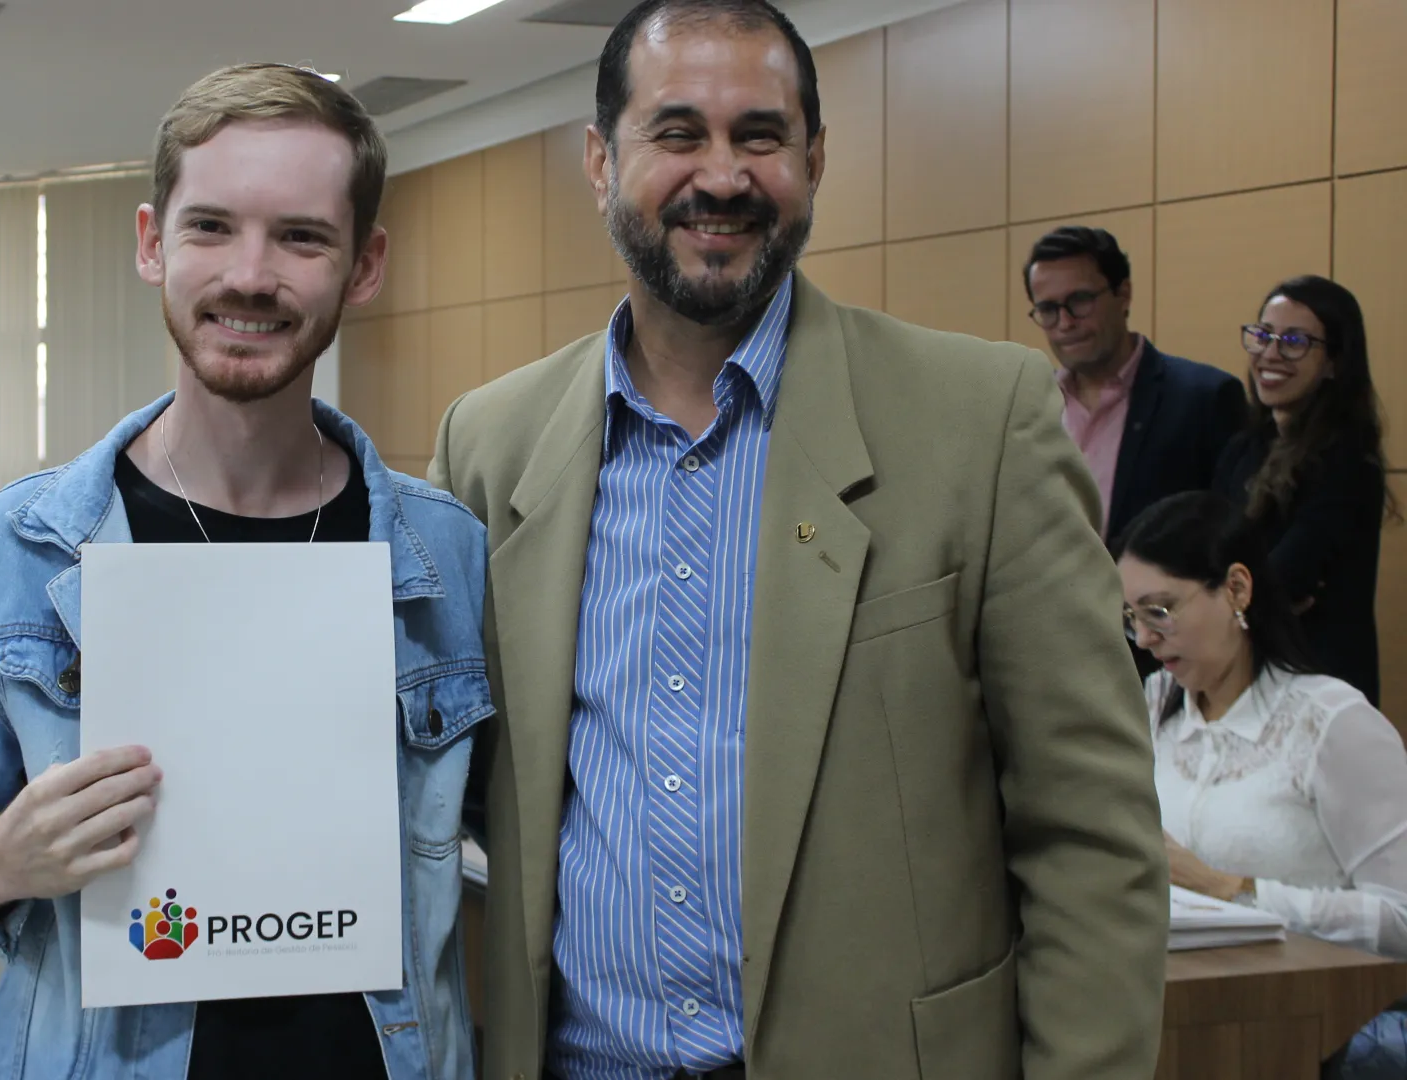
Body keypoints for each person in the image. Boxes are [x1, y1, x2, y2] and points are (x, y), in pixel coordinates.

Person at [429, 1, 1169, 1076]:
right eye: (677, 132)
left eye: (761, 135)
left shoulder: (980, 422)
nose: (723, 175)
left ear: (814, 160)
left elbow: (1090, 835)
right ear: (599, 160)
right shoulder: (489, 447)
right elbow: (441, 788)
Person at [0, 64, 489, 1080]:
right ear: (152, 243)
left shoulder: (446, 554)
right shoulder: (13, 550)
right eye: (210, 227)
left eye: (301, 237)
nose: (250, 274)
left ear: (365, 265)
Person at [1116, 490, 1407, 1079]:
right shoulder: (1155, 707)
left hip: (1314, 1026)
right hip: (1175, 1012)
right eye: (1131, 619)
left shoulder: (1330, 721)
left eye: (1160, 611)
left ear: (1237, 589)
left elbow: (1402, 918)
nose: (1144, 639)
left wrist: (1231, 889)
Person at [1212, 276, 1388, 705]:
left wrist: (1237, 594)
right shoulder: (1243, 448)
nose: (1271, 354)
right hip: (1243, 678)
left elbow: (1282, 581)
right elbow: (1204, 551)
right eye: (1263, 335)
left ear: (1334, 363)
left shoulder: (1347, 461)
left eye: (1294, 341)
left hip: (1316, 689)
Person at [1024, 226, 1246, 542]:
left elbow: (1233, 536)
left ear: (1124, 294)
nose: (1065, 323)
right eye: (1048, 309)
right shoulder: (1026, 406)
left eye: (1080, 300)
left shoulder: (1204, 399)